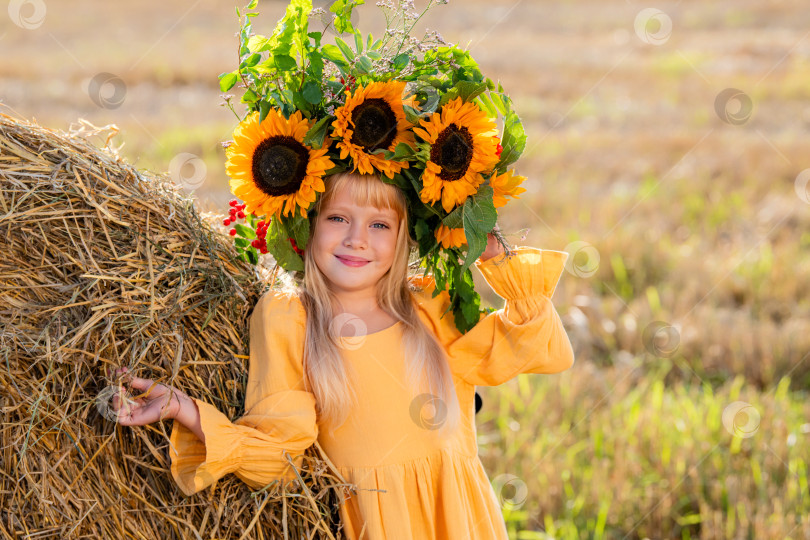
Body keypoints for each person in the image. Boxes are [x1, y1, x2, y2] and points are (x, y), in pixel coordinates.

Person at [110, 170, 575, 539]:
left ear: (403, 238)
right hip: (374, 521)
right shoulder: (290, 317)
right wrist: (183, 408)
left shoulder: (428, 305)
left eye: (379, 225)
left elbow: (534, 346)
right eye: (337, 218)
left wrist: (494, 254)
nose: (357, 239)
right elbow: (280, 450)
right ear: (305, 226)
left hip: (460, 517)